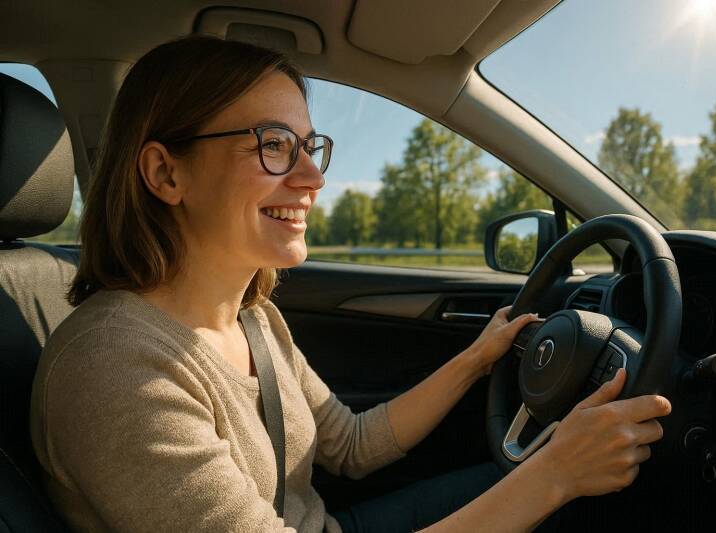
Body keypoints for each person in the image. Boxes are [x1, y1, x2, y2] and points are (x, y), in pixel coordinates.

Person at [29, 36, 671, 533]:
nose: (312, 177)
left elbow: (352, 444)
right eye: (274, 144)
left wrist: (478, 359)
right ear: (166, 174)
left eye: (311, 146)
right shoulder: (114, 367)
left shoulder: (252, 316)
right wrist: (555, 475)